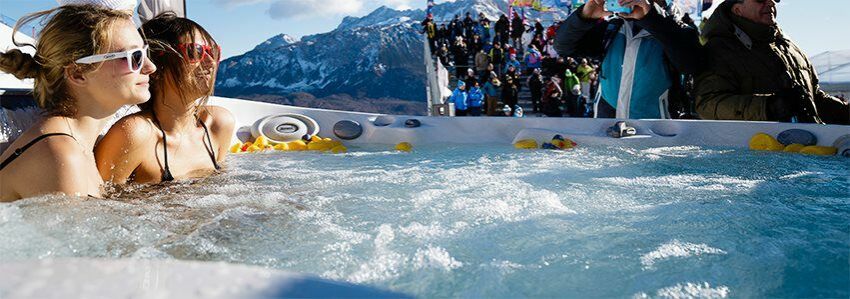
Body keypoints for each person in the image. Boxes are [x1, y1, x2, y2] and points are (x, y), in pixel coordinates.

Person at [0, 4, 156, 201]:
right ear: (78, 73)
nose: (151, 67)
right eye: (135, 57)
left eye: (145, 52)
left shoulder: (77, 146)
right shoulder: (61, 156)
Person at [95, 13, 235, 184]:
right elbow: (101, 202)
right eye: (195, 52)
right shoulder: (135, 134)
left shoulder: (218, 125)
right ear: (157, 64)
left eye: (213, 52)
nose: (210, 62)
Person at [695, 0, 850, 124]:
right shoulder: (720, 49)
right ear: (737, 9)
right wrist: (768, 107)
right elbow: (707, 105)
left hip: (807, 148)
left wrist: (845, 112)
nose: (771, 3)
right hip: (757, 155)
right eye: (760, 0)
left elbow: (814, 98)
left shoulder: (789, 46)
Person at [555, 0, 702, 119]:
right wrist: (584, 17)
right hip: (608, 130)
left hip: (657, 136)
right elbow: (563, 47)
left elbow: (691, 65)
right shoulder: (612, 29)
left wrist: (651, 18)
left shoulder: (681, 31)